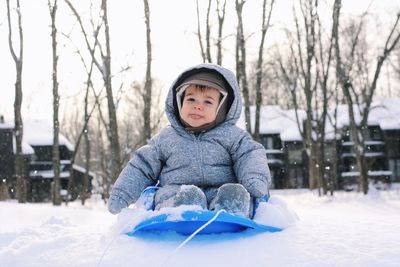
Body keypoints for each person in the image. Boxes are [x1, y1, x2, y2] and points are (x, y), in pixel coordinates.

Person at [108, 63, 271, 218]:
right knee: (183, 195)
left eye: (208, 102)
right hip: (175, 190)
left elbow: (250, 155)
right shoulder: (165, 138)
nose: (197, 106)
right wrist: (123, 193)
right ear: (179, 103)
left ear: (221, 109)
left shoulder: (233, 136)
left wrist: (254, 179)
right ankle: (183, 207)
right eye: (191, 99)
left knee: (234, 193)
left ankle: (230, 208)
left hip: (219, 191)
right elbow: (142, 166)